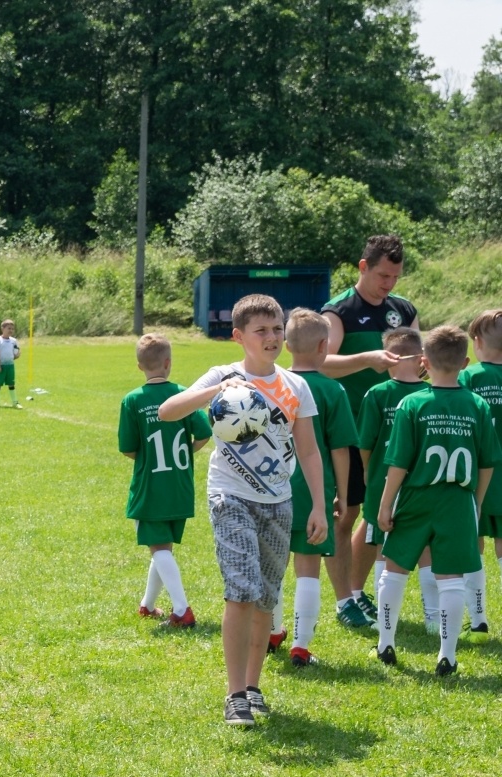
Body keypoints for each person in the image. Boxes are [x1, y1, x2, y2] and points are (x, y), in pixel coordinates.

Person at [156, 294, 327, 728]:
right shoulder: (223, 375)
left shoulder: (295, 386)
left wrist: (321, 507)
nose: (271, 338)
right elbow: (167, 409)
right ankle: (234, 695)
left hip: (279, 502)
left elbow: (308, 451)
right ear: (239, 337)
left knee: (266, 599)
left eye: (276, 329)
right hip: (229, 497)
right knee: (241, 590)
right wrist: (218, 390)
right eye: (261, 331)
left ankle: (253, 687)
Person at [373, 325, 500, 675]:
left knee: (394, 570)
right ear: (465, 362)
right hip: (458, 499)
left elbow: (398, 461)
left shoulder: (412, 403)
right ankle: (447, 655)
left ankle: (385, 644)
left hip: (415, 497)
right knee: (451, 577)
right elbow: (488, 461)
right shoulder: (476, 404)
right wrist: (474, 502)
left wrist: (386, 504)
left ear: (424, 362)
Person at [322, 235, 419, 627]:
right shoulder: (339, 310)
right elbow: (321, 362)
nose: (389, 284)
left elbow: (418, 355)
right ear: (363, 267)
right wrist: (366, 359)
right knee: (345, 514)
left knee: (376, 511)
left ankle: (358, 592)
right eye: (382, 275)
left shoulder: (403, 310)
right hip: (348, 428)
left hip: (394, 431)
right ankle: (344, 600)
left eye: (395, 276)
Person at [271, 309, 357, 667]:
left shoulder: (273, 384)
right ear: (324, 346)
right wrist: (341, 492)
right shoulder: (333, 389)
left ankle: (273, 630)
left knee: (273, 566)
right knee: (308, 566)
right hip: (312, 490)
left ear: (286, 344)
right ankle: (301, 647)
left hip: (271, 486)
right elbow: (339, 448)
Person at [117, 334, 211, 628]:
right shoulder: (183, 394)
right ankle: (147, 605)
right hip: (180, 485)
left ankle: (182, 610)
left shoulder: (133, 400)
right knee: (163, 548)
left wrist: (147, 460)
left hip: (151, 486)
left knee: (158, 548)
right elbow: (204, 432)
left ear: (138, 366)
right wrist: (186, 454)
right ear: (168, 363)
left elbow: (127, 447)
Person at [356, 329, 431, 631]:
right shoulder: (430, 395)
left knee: (380, 546)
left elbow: (365, 443)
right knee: (428, 547)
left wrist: (367, 471)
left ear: (389, 358)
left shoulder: (377, 394)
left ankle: (382, 618)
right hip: (422, 484)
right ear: (421, 358)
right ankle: (433, 619)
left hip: (382, 482)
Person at [457, 309, 502, 632]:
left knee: (472, 541)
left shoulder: (469, 377)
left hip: (477, 473)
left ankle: (478, 617)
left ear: (476, 341)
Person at [0, 320, 21, 408]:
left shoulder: (14, 340)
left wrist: (17, 354)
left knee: (11, 384)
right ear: (2, 328)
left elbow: (17, 350)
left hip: (10, 365)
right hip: (1, 365)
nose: (11, 330)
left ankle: (15, 402)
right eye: (9, 328)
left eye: (12, 329)